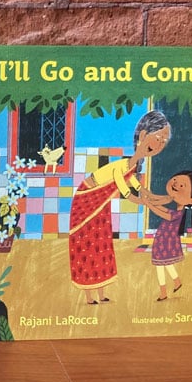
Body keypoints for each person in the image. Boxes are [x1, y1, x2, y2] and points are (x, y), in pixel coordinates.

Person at [69, 109, 171, 304]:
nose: (160, 145)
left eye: (164, 141)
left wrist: (161, 199)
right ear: (143, 135)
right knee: (85, 245)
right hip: (87, 202)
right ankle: (89, 296)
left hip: (101, 205)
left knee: (101, 244)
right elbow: (129, 195)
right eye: (158, 138)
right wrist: (149, 202)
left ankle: (101, 293)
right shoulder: (122, 166)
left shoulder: (131, 167)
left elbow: (141, 190)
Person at [145, 170, 192, 302]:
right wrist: (150, 200)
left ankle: (163, 292)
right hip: (163, 241)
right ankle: (177, 282)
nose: (176, 184)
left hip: (166, 243)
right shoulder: (177, 211)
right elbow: (165, 209)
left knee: (161, 265)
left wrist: (149, 204)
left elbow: (164, 214)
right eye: (175, 180)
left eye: (182, 186)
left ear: (191, 200)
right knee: (165, 264)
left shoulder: (180, 214)